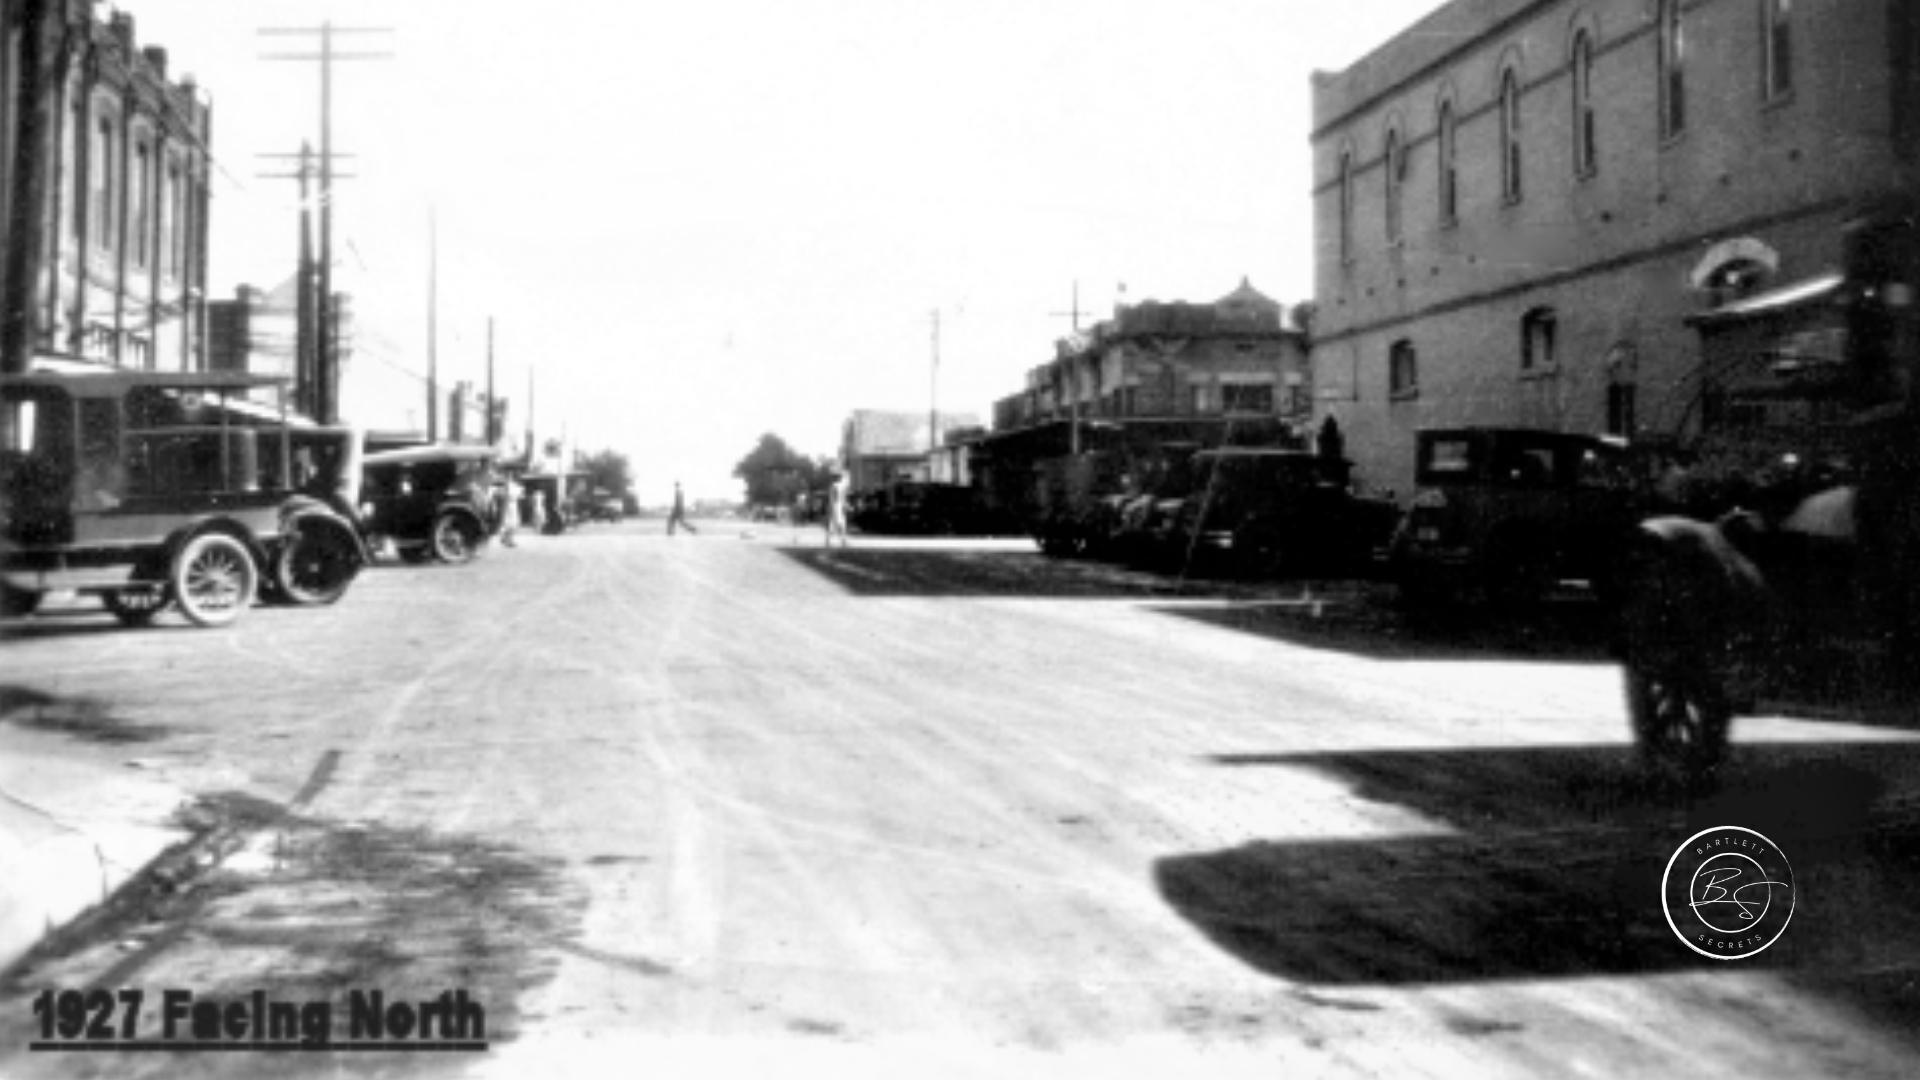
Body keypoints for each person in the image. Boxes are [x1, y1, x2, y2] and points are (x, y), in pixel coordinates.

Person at [825, 472, 849, 548]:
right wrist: (842, 505)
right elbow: (835, 497)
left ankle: (831, 539)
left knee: (837, 522)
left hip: (837, 505)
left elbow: (834, 497)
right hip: (837, 505)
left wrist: (832, 506)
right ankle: (842, 539)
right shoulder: (836, 486)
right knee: (839, 522)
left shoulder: (835, 486)